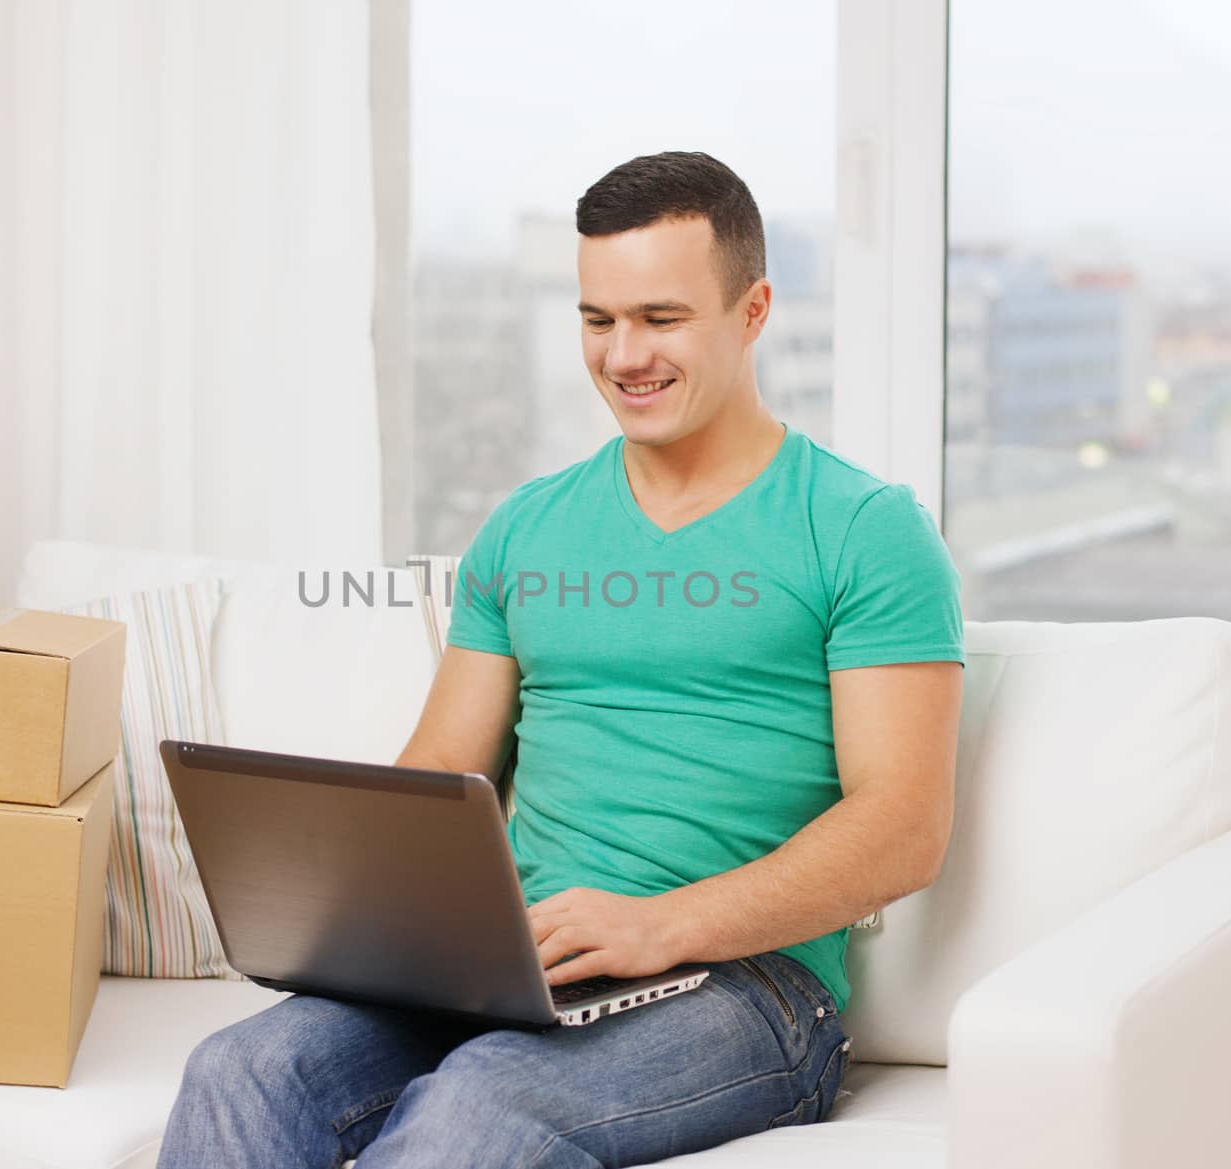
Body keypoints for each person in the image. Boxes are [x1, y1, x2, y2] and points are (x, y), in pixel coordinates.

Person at [157, 151, 964, 1168]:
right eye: (598, 319)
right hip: (514, 962)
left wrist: (660, 926)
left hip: (749, 989)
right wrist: (342, 899)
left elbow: (902, 828)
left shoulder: (863, 529)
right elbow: (442, 771)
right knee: (241, 1068)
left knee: (478, 1106)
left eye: (661, 318)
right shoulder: (526, 528)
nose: (624, 354)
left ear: (752, 310)